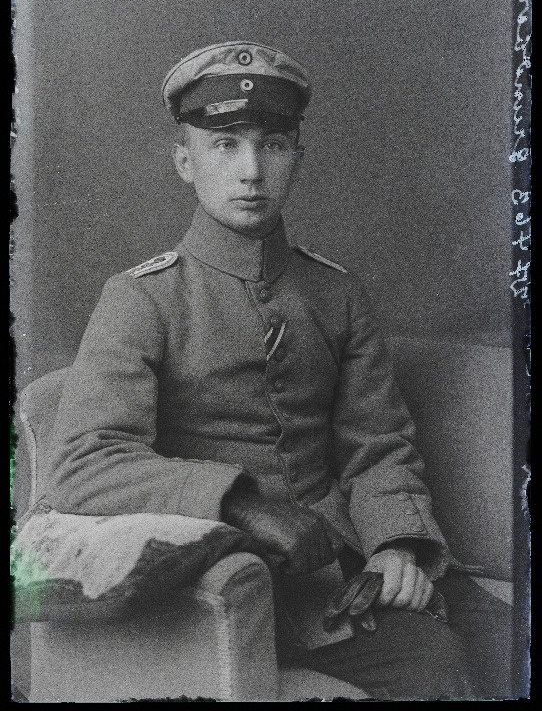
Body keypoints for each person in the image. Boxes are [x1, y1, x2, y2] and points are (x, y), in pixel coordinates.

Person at [47, 41, 512, 700]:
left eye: (272, 145)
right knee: (435, 669)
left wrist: (398, 546)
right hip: (255, 579)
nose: (251, 171)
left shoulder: (336, 293)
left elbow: (378, 446)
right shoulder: (142, 299)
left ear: (297, 157)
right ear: (185, 161)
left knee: (508, 638)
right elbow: (84, 464)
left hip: (357, 557)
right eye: (225, 145)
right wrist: (241, 503)